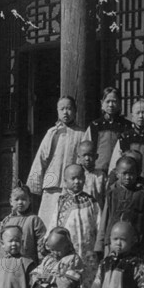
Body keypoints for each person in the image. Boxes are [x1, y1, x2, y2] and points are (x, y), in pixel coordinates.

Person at [26, 96, 86, 227]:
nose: (65, 112)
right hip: (52, 183)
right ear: (57, 111)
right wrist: (34, 184)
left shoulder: (82, 133)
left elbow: (85, 160)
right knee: (48, 222)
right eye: (62, 109)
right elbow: (41, 158)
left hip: (72, 185)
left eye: (69, 108)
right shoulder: (52, 133)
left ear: (75, 111)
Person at [46, 164, 100, 288]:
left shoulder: (91, 201)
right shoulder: (61, 202)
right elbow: (54, 225)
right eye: (73, 178)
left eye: (80, 178)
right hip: (68, 251)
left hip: (88, 249)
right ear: (65, 181)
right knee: (69, 275)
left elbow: (99, 223)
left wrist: (100, 244)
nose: (77, 181)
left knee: (89, 276)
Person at [95, 156, 144, 259]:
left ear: (137, 174)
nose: (127, 177)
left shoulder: (141, 196)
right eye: (124, 173)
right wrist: (100, 244)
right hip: (112, 243)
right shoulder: (112, 194)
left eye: (131, 174)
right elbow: (105, 220)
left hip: (135, 244)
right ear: (117, 174)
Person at [109, 99, 144, 184]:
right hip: (127, 181)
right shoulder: (124, 138)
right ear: (132, 116)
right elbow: (115, 164)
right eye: (138, 113)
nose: (141, 116)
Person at [0, 183, 46, 265]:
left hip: (28, 263)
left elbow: (41, 244)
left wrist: (41, 264)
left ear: (29, 200)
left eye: (24, 199)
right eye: (16, 199)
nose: (20, 202)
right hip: (8, 264)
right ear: (11, 201)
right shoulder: (6, 221)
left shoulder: (34, 220)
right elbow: (0, 244)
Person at [84, 87, 132, 172]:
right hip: (97, 170)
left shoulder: (127, 126)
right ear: (102, 103)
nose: (111, 105)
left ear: (120, 103)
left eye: (114, 101)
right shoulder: (95, 125)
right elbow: (86, 149)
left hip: (120, 171)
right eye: (107, 101)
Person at [77, 140, 107, 210]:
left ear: (96, 156)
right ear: (79, 157)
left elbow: (106, 197)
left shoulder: (101, 175)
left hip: (96, 212)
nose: (87, 158)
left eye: (90, 155)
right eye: (84, 155)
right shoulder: (76, 174)